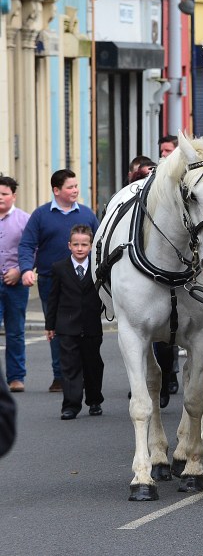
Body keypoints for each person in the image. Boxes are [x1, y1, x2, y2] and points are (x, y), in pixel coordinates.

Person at [18, 169, 99, 393]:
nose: (75, 190)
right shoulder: (41, 215)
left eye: (76, 186)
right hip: (50, 281)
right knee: (57, 328)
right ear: (56, 190)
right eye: (70, 187)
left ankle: (83, 374)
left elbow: (101, 244)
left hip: (85, 282)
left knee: (86, 330)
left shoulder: (86, 215)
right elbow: (26, 245)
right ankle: (60, 376)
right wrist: (26, 269)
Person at [44, 225, 103, 420]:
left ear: (91, 246)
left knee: (93, 365)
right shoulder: (59, 268)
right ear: (69, 245)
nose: (80, 248)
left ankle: (94, 401)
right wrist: (50, 325)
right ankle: (70, 405)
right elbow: (53, 298)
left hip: (91, 325)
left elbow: (106, 295)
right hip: (67, 326)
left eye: (84, 244)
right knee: (69, 367)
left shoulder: (98, 268)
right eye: (76, 244)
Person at [0, 177, 30, 393]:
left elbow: (32, 248)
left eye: (4, 194)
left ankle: (16, 378)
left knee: (15, 332)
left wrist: (19, 270)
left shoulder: (24, 220)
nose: (0, 198)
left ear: (13, 196)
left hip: (15, 284)